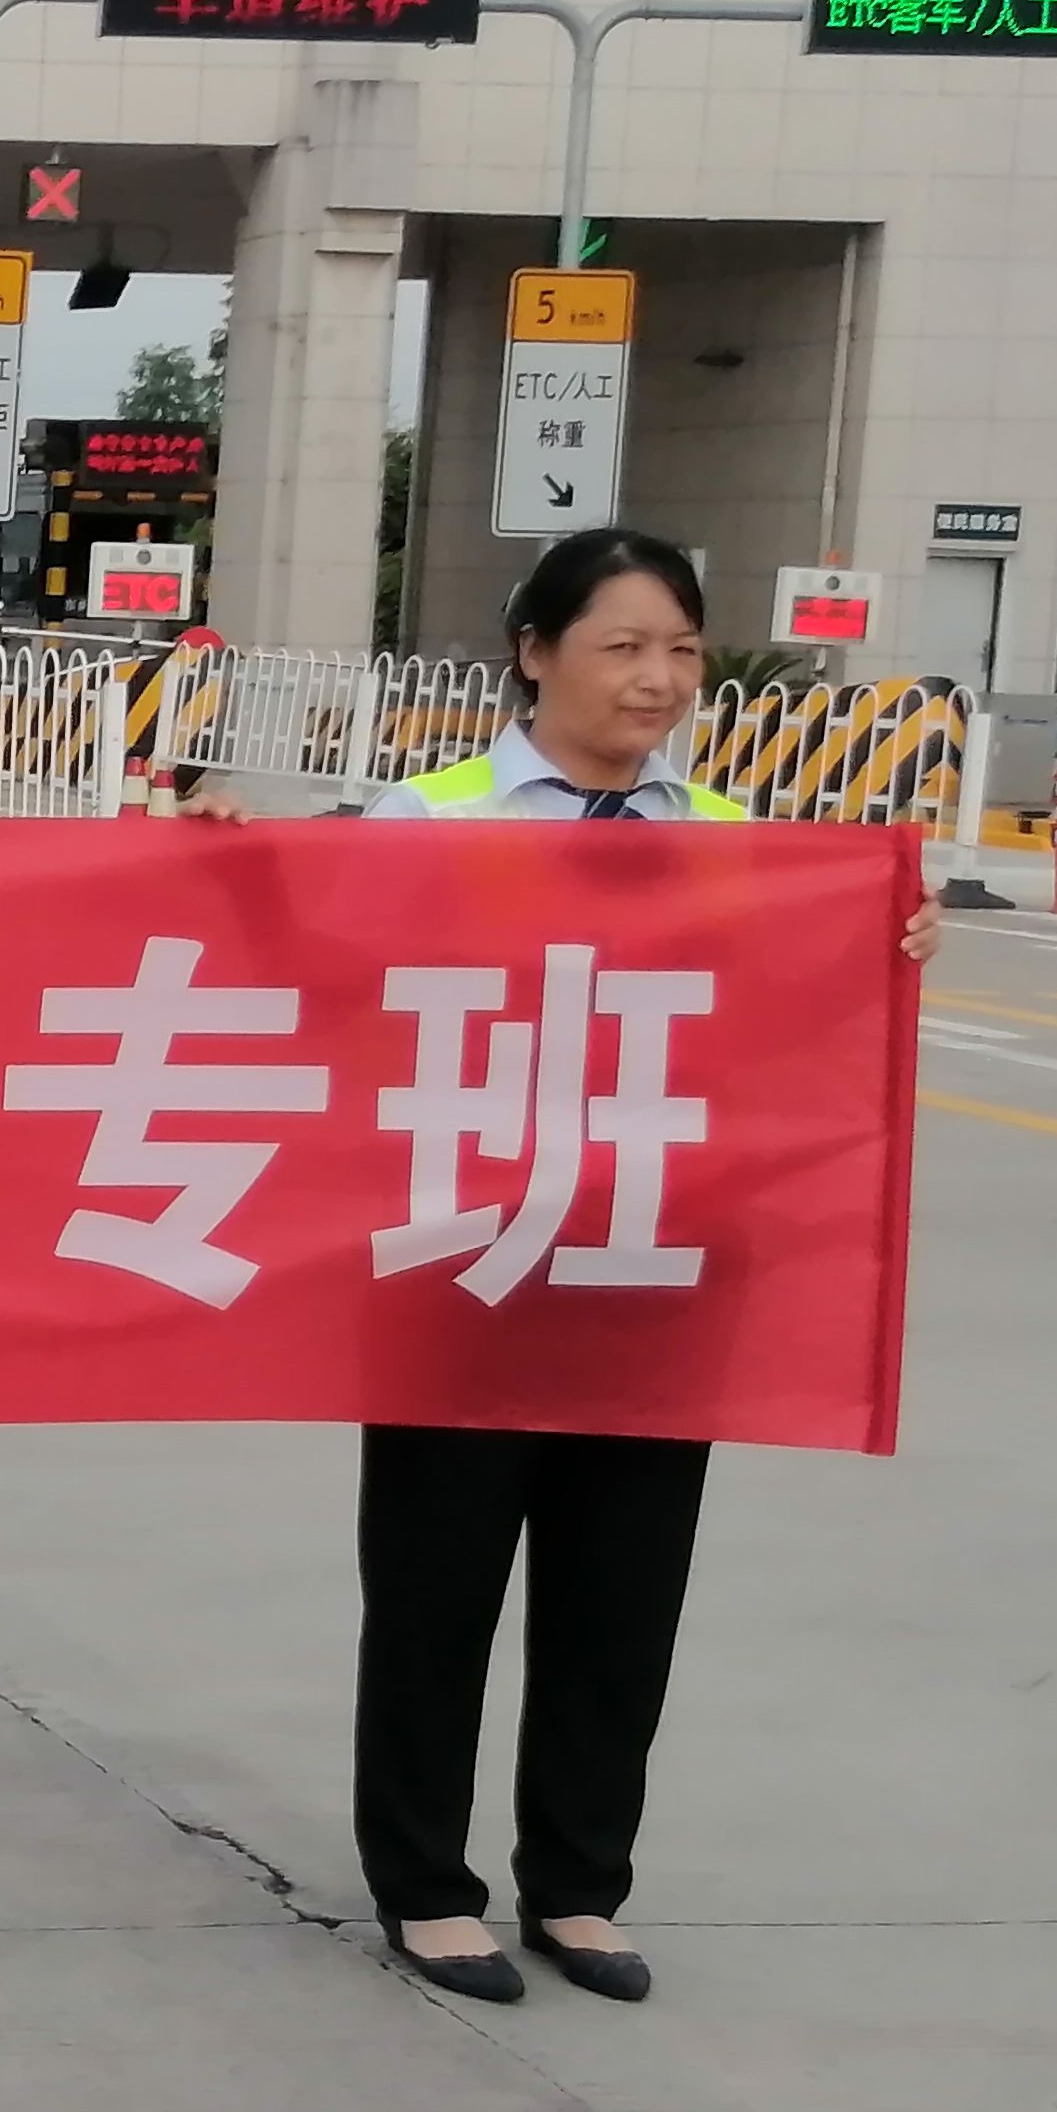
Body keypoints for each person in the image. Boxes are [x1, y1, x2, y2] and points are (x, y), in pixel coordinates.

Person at [307, 525, 936, 2004]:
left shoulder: (728, 836)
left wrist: (884, 944)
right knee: (438, 1590)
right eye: (624, 647)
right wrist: (211, 860)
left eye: (682, 650)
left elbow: (781, 1027)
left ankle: (580, 1886)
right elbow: (323, 991)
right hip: (465, 1264)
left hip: (654, 1262)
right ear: (534, 654)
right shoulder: (427, 819)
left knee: (622, 1592)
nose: (658, 679)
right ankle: (426, 1887)